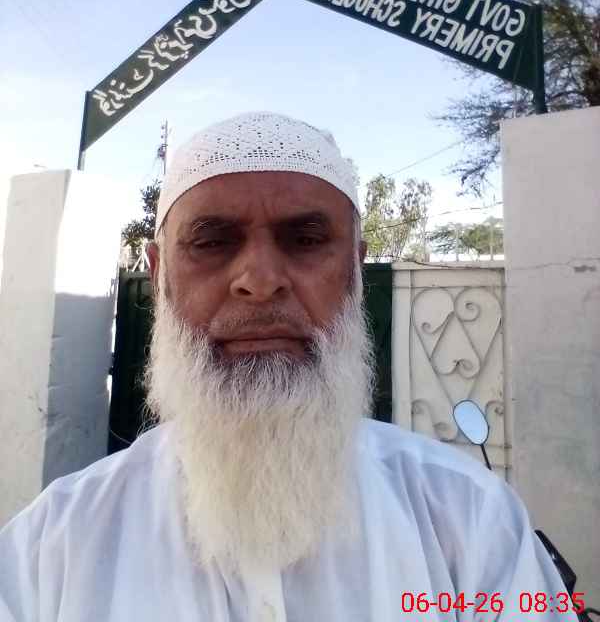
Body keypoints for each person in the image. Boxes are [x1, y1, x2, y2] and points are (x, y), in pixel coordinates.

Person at [0, 112, 579, 622]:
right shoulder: (51, 549)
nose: (259, 280)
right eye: (212, 241)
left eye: (304, 239)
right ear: (158, 274)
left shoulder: (469, 521)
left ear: (354, 270)